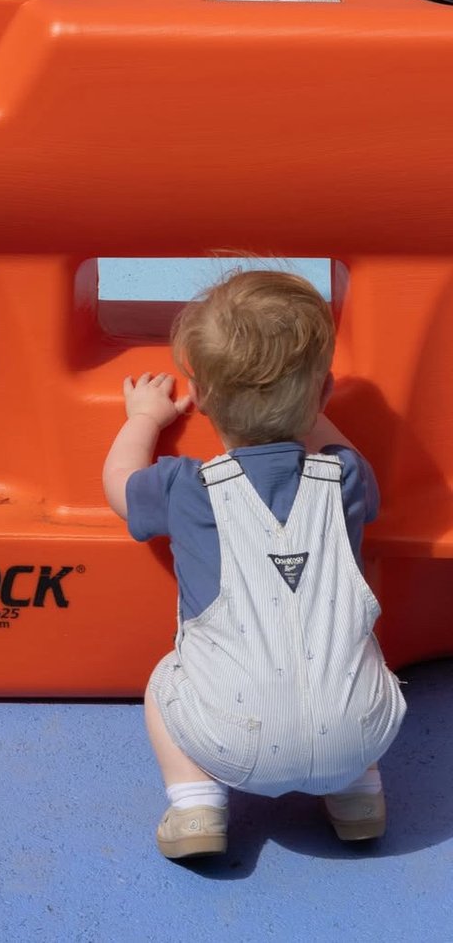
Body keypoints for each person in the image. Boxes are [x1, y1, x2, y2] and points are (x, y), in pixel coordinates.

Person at [102, 269, 406, 860]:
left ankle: (195, 805)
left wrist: (144, 417)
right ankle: (357, 795)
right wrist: (307, 401)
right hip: (359, 735)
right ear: (323, 394)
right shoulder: (347, 476)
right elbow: (339, 447)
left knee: (165, 681)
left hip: (230, 745)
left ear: (206, 398)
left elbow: (118, 486)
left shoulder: (185, 488)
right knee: (347, 655)